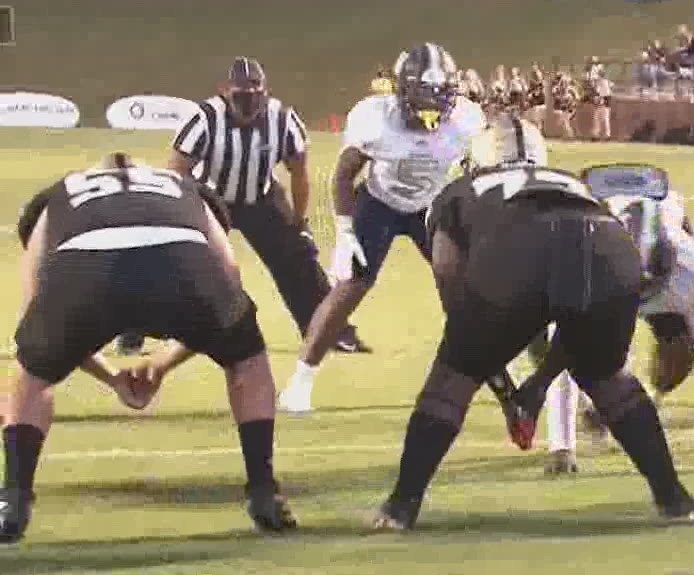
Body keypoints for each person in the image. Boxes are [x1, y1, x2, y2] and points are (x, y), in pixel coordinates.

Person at [371, 158, 694, 531]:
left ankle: (402, 505)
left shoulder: (456, 193)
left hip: (516, 248)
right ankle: (674, 498)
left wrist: (508, 393)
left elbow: (456, 297)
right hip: (609, 247)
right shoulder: (568, 179)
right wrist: (535, 387)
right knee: (608, 379)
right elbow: (573, 319)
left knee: (451, 380)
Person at [3, 155, 294, 543]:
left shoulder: (60, 194)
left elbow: (36, 310)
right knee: (247, 360)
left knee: (31, 374)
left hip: (85, 266)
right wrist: (163, 364)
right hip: (182, 259)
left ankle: (14, 501)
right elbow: (229, 280)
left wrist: (110, 377)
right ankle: (264, 493)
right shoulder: (184, 187)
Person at [277, 45, 517, 439]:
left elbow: (480, 171)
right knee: (351, 286)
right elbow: (342, 176)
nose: (432, 107)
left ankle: (504, 387)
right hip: (381, 202)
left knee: (466, 295)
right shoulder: (375, 118)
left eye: (440, 95)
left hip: (433, 207)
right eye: (423, 94)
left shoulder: (468, 120)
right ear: (402, 91)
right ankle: (300, 381)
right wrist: (345, 232)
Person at [513, 169, 694, 479]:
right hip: (594, 259)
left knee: (683, 353)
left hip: (658, 265)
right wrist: (561, 449)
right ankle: (592, 406)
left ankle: (646, 397)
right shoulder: (577, 261)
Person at [167, 57, 367, 355]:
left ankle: (331, 331)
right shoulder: (205, 118)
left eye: (254, 96)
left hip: (261, 198)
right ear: (225, 92)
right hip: (210, 197)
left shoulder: (283, 119)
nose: (248, 107)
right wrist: (182, 216)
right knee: (177, 258)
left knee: (298, 258)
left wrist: (299, 223)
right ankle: (135, 331)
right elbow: (177, 170)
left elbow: (298, 173)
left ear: (265, 92)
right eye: (240, 97)